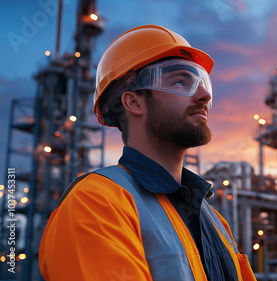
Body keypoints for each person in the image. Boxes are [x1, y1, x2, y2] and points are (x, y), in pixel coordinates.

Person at [39, 24, 256, 281]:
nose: (204, 95)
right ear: (133, 102)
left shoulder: (214, 219)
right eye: (179, 81)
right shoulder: (96, 204)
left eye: (202, 82)